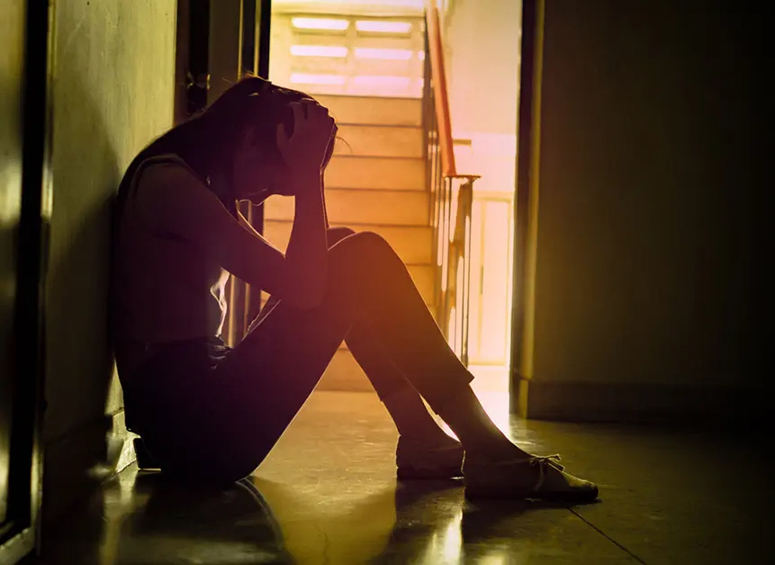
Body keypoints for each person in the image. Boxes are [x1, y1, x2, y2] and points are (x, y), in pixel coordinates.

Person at [110, 76, 597, 502]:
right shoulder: (172, 187)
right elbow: (303, 289)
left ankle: (423, 437)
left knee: (339, 245)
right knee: (360, 258)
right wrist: (307, 176)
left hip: (196, 412)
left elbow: (303, 279)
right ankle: (489, 450)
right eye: (272, 183)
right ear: (249, 139)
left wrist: (306, 174)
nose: (261, 196)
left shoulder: (187, 179)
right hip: (194, 434)